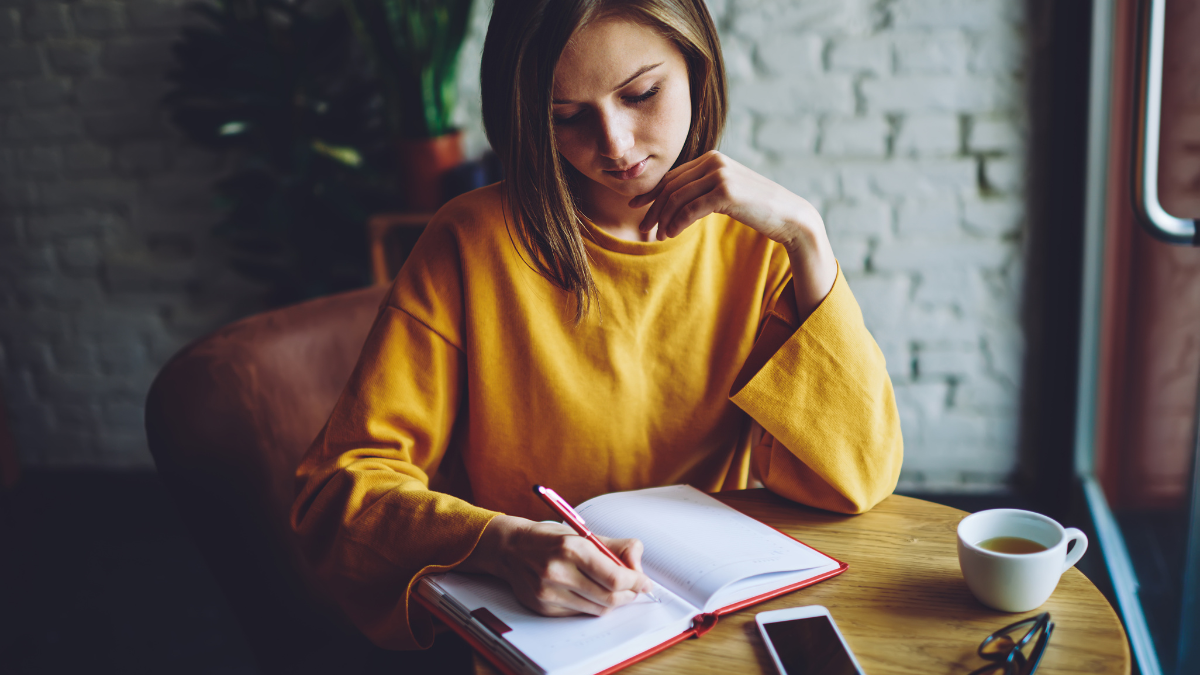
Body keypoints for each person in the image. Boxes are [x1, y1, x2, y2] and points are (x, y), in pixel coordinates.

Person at [290, 0, 903, 652]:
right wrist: (501, 544)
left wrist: (808, 238)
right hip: (536, 629)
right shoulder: (469, 243)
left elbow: (854, 477)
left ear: (698, 68)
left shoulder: (760, 249)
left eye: (641, 93)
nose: (616, 145)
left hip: (707, 625)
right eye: (567, 117)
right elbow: (339, 494)